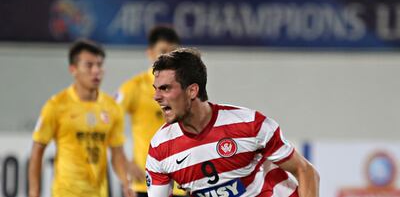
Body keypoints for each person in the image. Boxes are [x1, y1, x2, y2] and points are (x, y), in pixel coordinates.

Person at [145, 48, 320, 197]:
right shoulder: (160, 148)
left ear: (192, 91)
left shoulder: (249, 125)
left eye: (165, 88)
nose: (156, 97)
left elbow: (306, 172)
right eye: (156, 89)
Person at [29, 39, 135, 197]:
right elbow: (38, 150)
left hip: (99, 193)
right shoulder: (56, 105)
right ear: (73, 69)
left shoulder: (112, 108)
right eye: (89, 65)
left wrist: (126, 183)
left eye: (99, 65)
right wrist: (34, 192)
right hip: (65, 193)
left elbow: (117, 153)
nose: (96, 70)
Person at [116, 26, 187, 197]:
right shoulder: (134, 87)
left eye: (174, 52)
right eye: (162, 52)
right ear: (150, 53)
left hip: (181, 184)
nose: (169, 58)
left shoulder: (187, 89)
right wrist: (125, 162)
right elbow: (107, 120)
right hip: (145, 184)